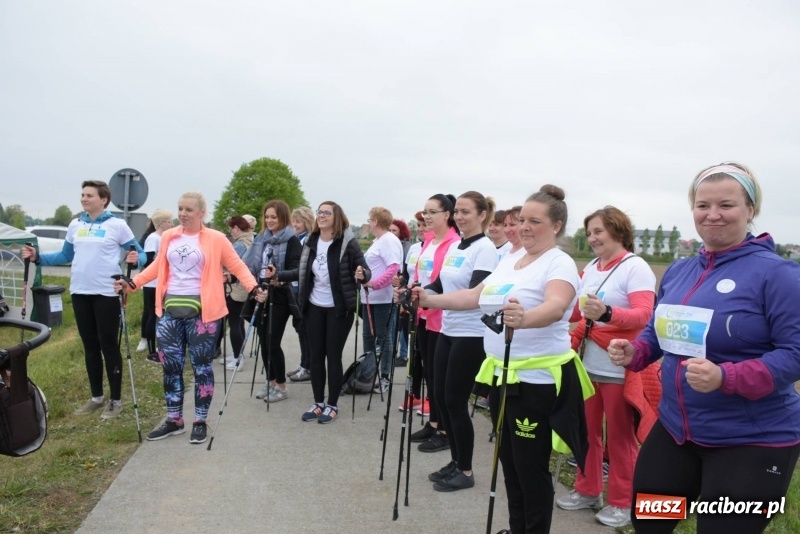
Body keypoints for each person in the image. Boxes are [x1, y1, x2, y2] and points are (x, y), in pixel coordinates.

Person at [608, 162, 800, 533]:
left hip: (752, 440)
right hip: (677, 430)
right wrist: (638, 352)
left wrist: (725, 377)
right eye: (703, 205)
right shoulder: (681, 271)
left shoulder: (778, 275)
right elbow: (658, 331)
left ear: (750, 210)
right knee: (651, 524)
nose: (713, 215)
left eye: (726, 205)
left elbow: (794, 354)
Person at [415, 185, 592, 533]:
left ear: (556, 226)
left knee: (530, 467)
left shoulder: (559, 263)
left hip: (535, 381)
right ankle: (517, 527)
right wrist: (429, 301)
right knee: (508, 463)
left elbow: (557, 306)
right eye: (521, 220)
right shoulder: (511, 259)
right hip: (501, 374)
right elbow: (475, 297)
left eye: (534, 221)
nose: (524, 227)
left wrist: (525, 318)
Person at [117, 192, 264, 444]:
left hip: (203, 314)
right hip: (169, 311)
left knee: (202, 367)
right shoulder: (169, 237)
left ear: (201, 213)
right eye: (180, 209)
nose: (183, 214)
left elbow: (238, 266)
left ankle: (199, 420)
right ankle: (174, 420)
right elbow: (157, 267)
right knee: (171, 368)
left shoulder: (216, 239)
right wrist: (133, 283)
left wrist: (254, 288)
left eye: (189, 210)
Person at [555, 206, 656, 528]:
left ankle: (623, 502)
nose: (593, 238)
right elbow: (576, 312)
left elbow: (644, 315)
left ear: (617, 230)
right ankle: (588, 490)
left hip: (617, 366)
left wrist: (608, 314)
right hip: (586, 364)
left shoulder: (635, 267)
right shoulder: (592, 269)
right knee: (585, 432)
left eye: (598, 231)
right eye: (589, 233)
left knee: (620, 439)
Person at [21, 180, 145, 420]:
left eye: (89, 195)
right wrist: (38, 258)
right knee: (90, 345)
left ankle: (116, 400)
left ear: (103, 199)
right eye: (83, 195)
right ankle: (97, 397)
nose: (84, 198)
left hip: (107, 293)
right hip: (80, 292)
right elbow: (65, 255)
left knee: (108, 345)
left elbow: (139, 254)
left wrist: (134, 259)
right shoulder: (75, 224)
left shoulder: (117, 225)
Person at [424, 191, 499, 492]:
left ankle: (465, 471)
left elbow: (472, 297)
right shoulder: (457, 245)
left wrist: (429, 301)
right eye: (458, 212)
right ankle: (455, 461)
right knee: (442, 398)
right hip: (448, 330)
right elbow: (440, 283)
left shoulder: (485, 250)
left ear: (482, 215)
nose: (460, 217)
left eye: (467, 212)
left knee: (455, 401)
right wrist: (420, 291)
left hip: (471, 335)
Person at [274, 201, 370, 424]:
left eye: (327, 212)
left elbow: (366, 271)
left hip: (339, 310)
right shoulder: (310, 241)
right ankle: (318, 402)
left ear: (337, 217)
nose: (322, 216)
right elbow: (301, 271)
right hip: (313, 307)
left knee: (332, 356)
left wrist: (362, 274)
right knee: (316, 356)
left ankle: (332, 404)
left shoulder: (348, 242)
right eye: (320, 212)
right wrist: (278, 275)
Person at [406, 195, 461, 451]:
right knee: (429, 371)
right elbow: (420, 275)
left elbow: (443, 281)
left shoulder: (454, 243)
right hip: (423, 314)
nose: (426, 217)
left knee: (439, 377)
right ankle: (434, 421)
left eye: (432, 212)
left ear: (447, 215)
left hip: (441, 317)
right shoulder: (428, 241)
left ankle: (444, 430)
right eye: (424, 212)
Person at [244, 200, 302, 402]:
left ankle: (282, 387)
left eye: (274, 217)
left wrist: (279, 276)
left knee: (273, 341)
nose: (269, 220)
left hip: (280, 295)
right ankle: (270, 382)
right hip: (260, 293)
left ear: (283, 218)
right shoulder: (260, 238)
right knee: (263, 342)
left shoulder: (292, 240)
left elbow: (297, 270)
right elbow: (248, 264)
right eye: (267, 217)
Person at [360, 207, 403, 393]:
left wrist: (374, 284)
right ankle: (369, 374)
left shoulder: (389, 240)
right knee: (368, 337)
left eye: (370, 220)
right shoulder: (377, 241)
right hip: (369, 299)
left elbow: (393, 268)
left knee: (384, 338)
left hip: (383, 299)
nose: (369, 223)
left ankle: (385, 377)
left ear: (376, 221)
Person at [139, 209, 174, 363]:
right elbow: (148, 262)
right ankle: (152, 351)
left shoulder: (163, 238)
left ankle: (158, 347)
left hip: (160, 282)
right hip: (152, 283)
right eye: (169, 222)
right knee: (153, 314)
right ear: (161, 223)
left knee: (158, 314)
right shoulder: (153, 238)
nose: (172, 224)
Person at [221, 215, 255, 370]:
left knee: (234, 323)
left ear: (236, 228)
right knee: (238, 322)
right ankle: (238, 354)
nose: (231, 232)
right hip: (244, 287)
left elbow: (225, 262)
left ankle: (237, 359)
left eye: (231, 229)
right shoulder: (252, 240)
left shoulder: (239, 245)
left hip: (236, 288)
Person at [287, 206, 315, 382]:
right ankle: (304, 363)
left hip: (304, 291)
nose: (295, 224)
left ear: (307, 222)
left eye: (298, 221)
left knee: (305, 329)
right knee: (300, 328)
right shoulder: (298, 239)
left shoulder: (309, 241)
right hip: (295, 288)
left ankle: (308, 367)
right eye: (294, 221)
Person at [389, 219, 412, 367]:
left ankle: (403, 354)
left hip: (404, 288)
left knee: (403, 324)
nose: (391, 234)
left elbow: (406, 270)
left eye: (394, 231)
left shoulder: (406, 247)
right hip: (395, 288)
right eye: (389, 231)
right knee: (394, 323)